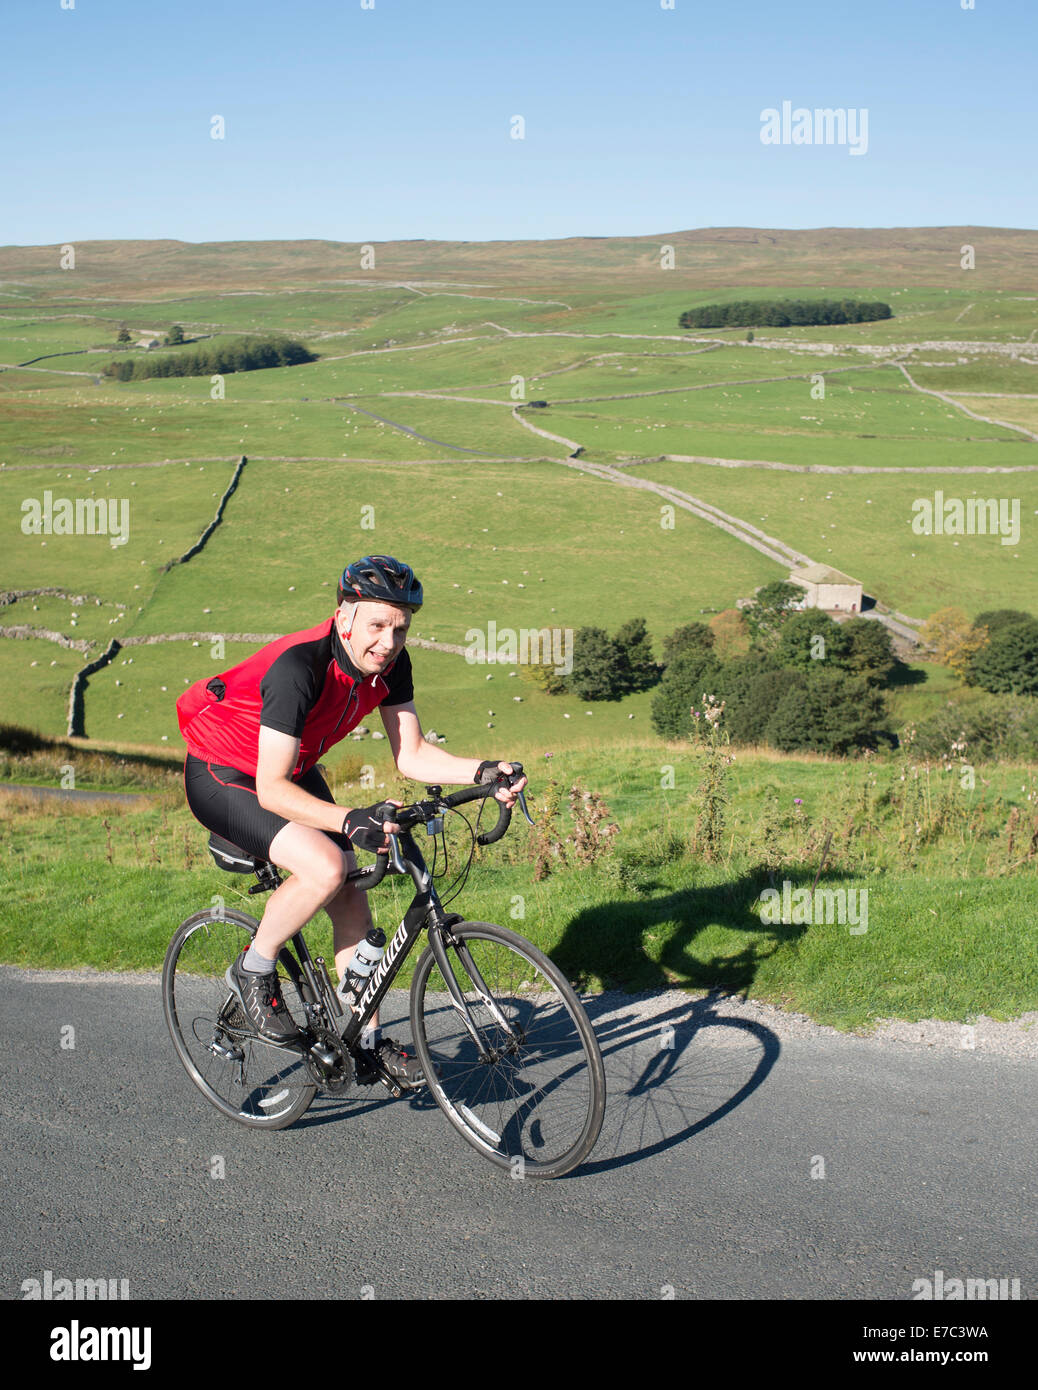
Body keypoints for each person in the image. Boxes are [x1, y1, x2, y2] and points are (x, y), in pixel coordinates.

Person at [176, 554, 526, 1087]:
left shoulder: (390, 666)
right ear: (345, 616)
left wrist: (481, 771)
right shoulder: (299, 668)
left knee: (352, 889)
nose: (388, 642)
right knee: (325, 866)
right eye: (377, 625)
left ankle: (368, 1041)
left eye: (401, 628)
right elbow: (270, 789)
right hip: (224, 771)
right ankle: (253, 968)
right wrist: (349, 819)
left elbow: (410, 755)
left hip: (290, 765)